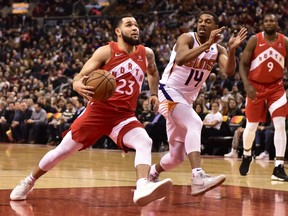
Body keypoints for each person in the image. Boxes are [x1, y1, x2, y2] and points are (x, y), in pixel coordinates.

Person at [10, 14, 172, 206]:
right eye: (129, 25)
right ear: (118, 31)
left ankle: (142, 187)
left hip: (123, 116)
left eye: (136, 24)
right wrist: (77, 84)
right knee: (62, 151)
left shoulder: (147, 53)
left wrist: (154, 93)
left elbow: (152, 72)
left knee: (145, 141)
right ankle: (29, 180)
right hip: (98, 113)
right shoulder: (106, 52)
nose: (135, 28)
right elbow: (79, 76)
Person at [149, 11, 247, 195]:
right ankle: (198, 176)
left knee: (176, 157)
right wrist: (208, 43)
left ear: (215, 27)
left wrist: (232, 49)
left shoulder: (218, 49)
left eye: (208, 21)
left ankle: (151, 174)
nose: (202, 24)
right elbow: (181, 58)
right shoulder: (186, 38)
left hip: (185, 101)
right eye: (200, 21)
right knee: (195, 122)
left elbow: (228, 71)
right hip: (167, 92)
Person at [238, 13, 288, 181]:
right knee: (251, 126)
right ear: (262, 24)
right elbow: (243, 64)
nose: (269, 23)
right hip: (255, 87)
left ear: (277, 23)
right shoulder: (254, 40)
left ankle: (278, 167)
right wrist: (247, 85)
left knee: (280, 124)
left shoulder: (285, 41)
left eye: (272, 20)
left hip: (276, 87)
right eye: (266, 21)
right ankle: (246, 154)